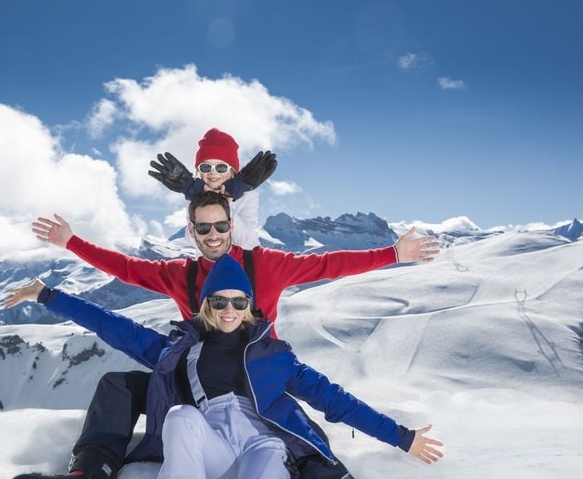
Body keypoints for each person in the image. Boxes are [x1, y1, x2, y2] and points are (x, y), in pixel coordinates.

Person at [28, 191, 440, 477]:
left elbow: (335, 396)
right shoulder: (183, 345)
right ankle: (91, 468)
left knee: (280, 450)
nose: (229, 309)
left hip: (262, 425)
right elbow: (118, 318)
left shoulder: (273, 348)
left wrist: (401, 437)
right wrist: (52, 288)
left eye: (239, 302)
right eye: (219, 302)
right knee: (160, 405)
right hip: (204, 422)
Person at [148, 127, 277, 250]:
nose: (213, 172)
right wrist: (204, 199)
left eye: (221, 167)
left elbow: (242, 240)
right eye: (206, 167)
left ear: (232, 171)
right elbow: (194, 240)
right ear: (199, 171)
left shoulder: (248, 195)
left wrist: (224, 204)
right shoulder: (194, 194)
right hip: (210, 263)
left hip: (246, 262)